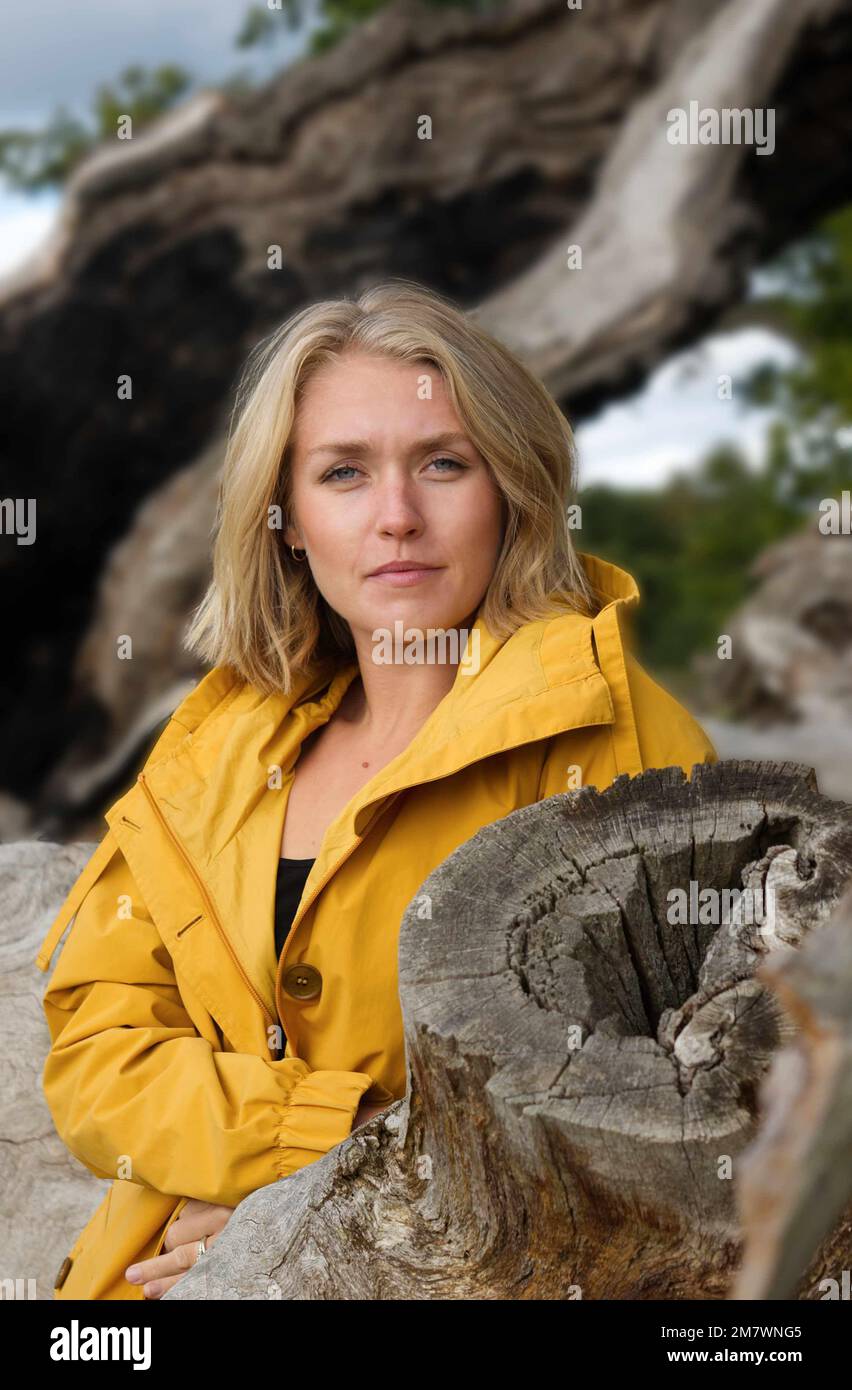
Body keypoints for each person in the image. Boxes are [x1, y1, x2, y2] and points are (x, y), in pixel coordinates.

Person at [36, 279, 717, 1301]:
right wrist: (302, 1157)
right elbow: (98, 1042)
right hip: (157, 1275)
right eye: (344, 472)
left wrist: (329, 1206)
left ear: (512, 491)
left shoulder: (623, 741)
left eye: (443, 464)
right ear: (290, 519)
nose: (397, 517)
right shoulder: (218, 744)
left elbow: (684, 1098)